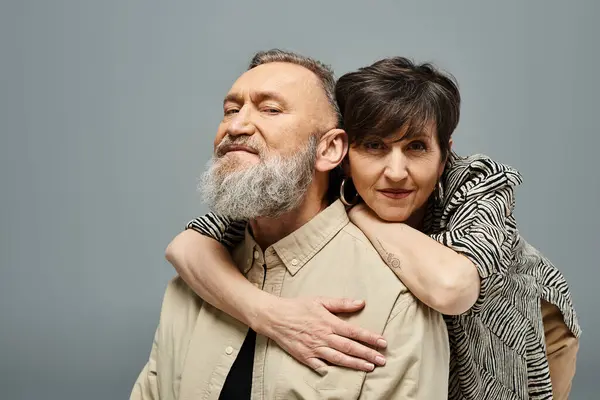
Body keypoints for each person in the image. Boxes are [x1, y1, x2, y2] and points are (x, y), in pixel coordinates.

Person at [165, 53, 581, 399]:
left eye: (416, 147)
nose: (395, 171)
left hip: (523, 328)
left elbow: (453, 289)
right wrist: (270, 314)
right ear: (342, 150)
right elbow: (186, 246)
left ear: (445, 154)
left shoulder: (476, 182)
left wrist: (359, 213)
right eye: (374, 146)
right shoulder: (317, 179)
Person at [131, 49, 450, 400]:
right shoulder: (190, 288)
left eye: (270, 109)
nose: (236, 126)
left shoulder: (395, 300)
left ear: (329, 150)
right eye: (231, 110)